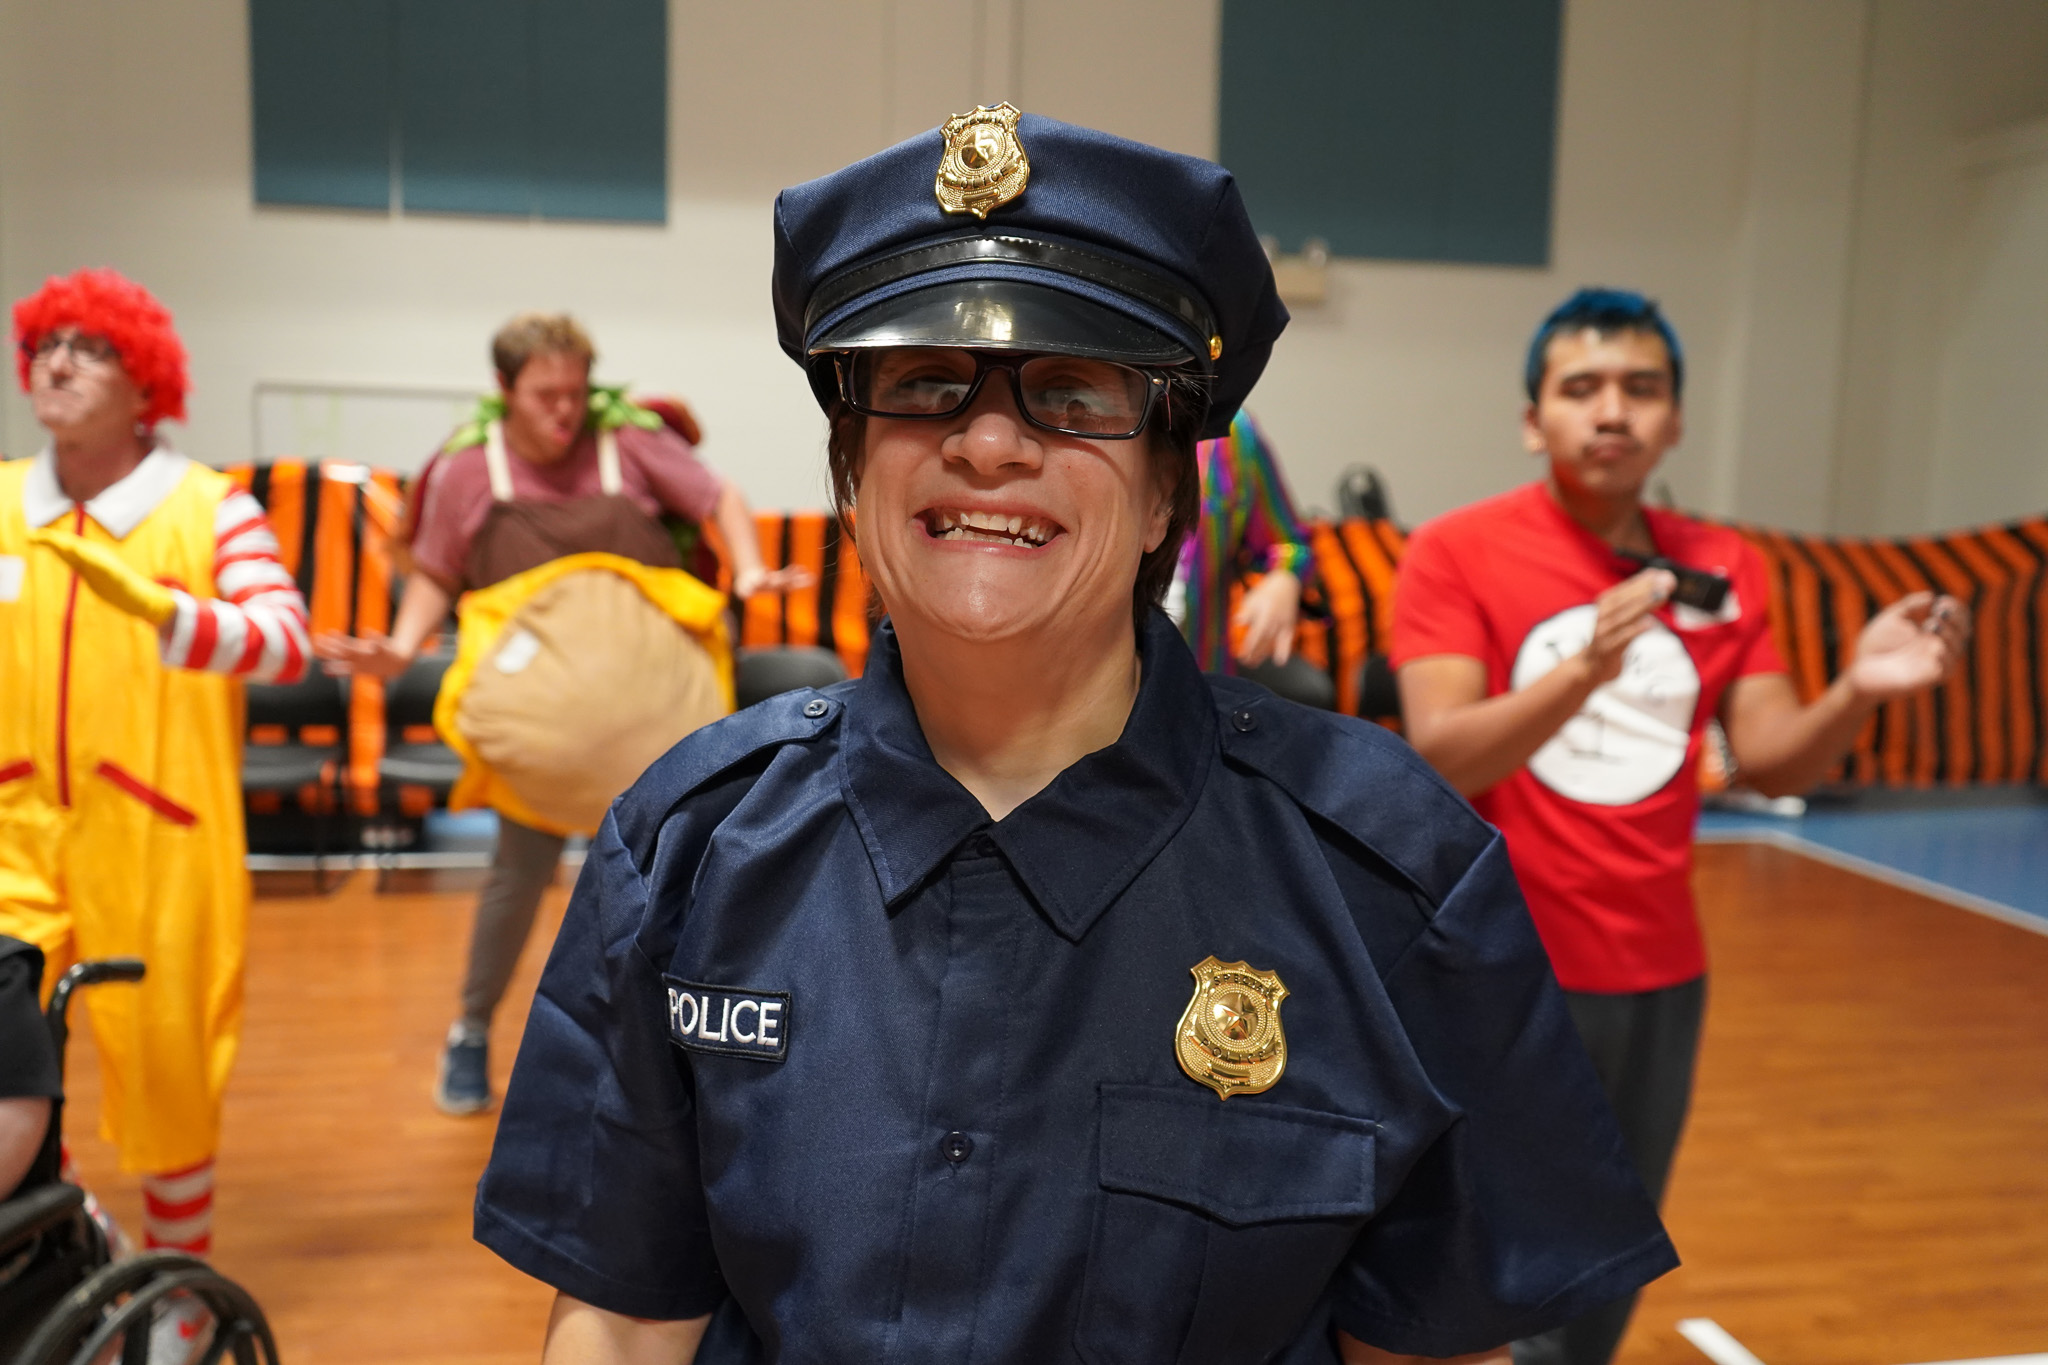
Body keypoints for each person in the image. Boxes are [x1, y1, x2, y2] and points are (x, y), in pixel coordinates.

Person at [474, 106, 1677, 1365]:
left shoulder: (1388, 878)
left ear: (1169, 489)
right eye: (925, 384)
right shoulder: (686, 847)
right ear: (848, 468)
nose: (988, 442)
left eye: (1071, 393)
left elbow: (1432, 1346)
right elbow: (617, 1320)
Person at [1391, 288, 1970, 1365]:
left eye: (1639, 389)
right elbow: (1440, 758)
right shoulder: (1456, 552)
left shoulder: (1724, 565)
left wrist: (1855, 688)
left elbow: (1765, 757)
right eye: (1580, 388)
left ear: (1674, 422)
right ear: (1533, 420)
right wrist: (1584, 670)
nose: (1610, 411)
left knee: (1606, 1259)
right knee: (1482, 1263)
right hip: (1497, 964)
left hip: (1658, 971)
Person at [314, 314, 809, 1116]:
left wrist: (750, 571)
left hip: (654, 726)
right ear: (505, 390)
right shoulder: (471, 473)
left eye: (577, 392)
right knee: (516, 879)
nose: (566, 411)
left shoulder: (630, 446)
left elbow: (720, 496)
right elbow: (437, 571)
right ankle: (471, 1032)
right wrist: (399, 650)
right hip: (544, 739)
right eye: (547, 395)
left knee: (663, 887)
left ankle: (666, 1050)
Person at [1, 269, 310, 1273]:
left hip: (160, 841)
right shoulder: (3, 501)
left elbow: (285, 643)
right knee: (11, 1066)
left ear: (147, 384)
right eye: (46, 343)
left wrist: (170, 614)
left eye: (90, 348)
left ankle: (178, 1287)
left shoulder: (210, 509)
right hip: (13, 838)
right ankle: (68, 1230)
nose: (56, 361)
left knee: (169, 1071)